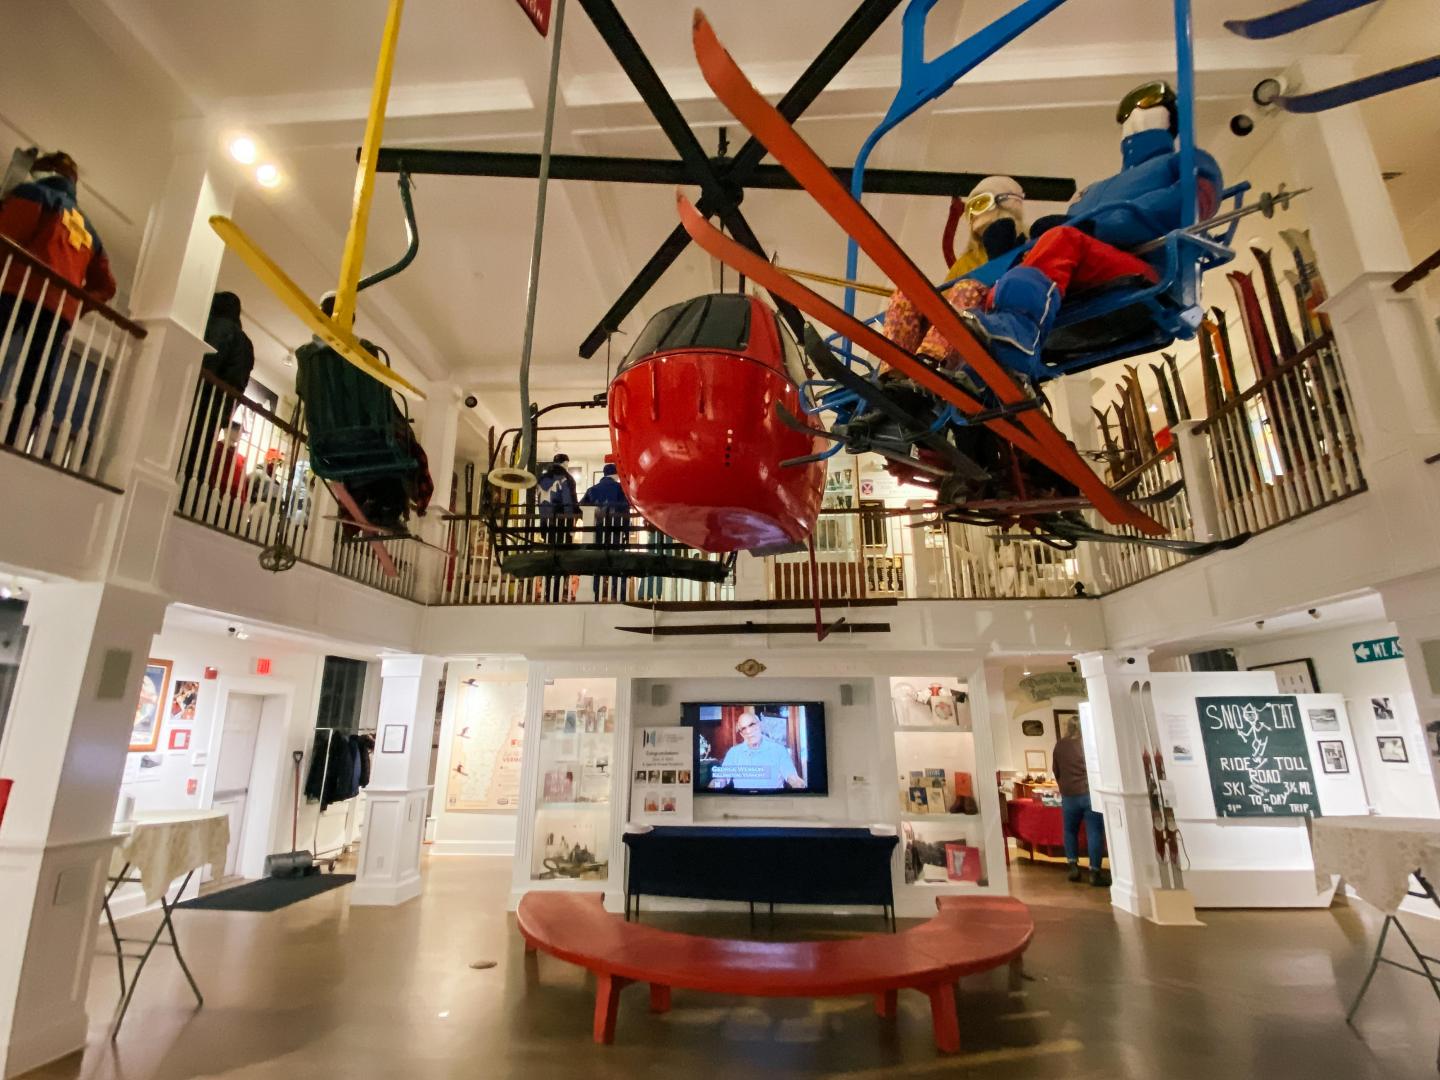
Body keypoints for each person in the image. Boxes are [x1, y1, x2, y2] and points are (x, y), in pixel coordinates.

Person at [0, 150, 116, 449]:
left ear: (43, 171)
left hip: (17, 289)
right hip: (57, 309)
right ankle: (18, 434)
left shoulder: (34, 193)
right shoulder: (89, 229)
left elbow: (7, 236)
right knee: (37, 372)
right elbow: (107, 286)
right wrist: (75, 305)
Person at [183, 292, 255, 508]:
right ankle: (191, 501)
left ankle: (182, 497)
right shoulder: (245, 343)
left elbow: (207, 360)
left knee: (185, 447)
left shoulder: (218, 328)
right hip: (219, 408)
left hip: (199, 400)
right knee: (200, 456)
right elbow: (240, 382)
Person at [1053, 715, 1109, 886]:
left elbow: (1056, 769)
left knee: (1070, 831)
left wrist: (1064, 785)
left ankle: (1073, 866)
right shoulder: (1089, 744)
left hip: (1069, 794)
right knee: (1094, 832)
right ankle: (1094, 871)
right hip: (1089, 792)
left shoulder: (1060, 745)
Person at [709, 708, 804, 790]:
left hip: (772, 803)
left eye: (752, 725)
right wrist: (714, 787)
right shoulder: (733, 753)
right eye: (743, 728)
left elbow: (792, 777)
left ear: (760, 725)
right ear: (741, 734)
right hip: (742, 802)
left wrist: (799, 785)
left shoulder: (779, 750)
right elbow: (722, 779)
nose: (749, 731)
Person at [581, 462, 630, 601]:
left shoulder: (592, 490)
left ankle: (595, 593)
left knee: (597, 563)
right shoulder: (621, 489)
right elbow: (626, 512)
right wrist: (626, 532)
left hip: (597, 531)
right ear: (616, 474)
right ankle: (619, 595)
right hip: (616, 532)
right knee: (617, 563)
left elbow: (581, 507)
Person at [536, 453, 578, 602]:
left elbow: (539, 503)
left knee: (549, 557)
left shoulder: (542, 479)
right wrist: (571, 524)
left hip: (546, 524)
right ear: (566, 463)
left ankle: (547, 592)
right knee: (562, 559)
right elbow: (569, 503)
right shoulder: (566, 479)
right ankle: (558, 592)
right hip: (561, 525)